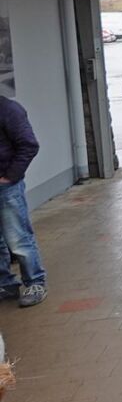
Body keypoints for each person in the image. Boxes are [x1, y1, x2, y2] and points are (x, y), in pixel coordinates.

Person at [0, 96, 47, 307]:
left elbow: (29, 145)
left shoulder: (8, 109)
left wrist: (10, 176)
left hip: (6, 187)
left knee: (18, 238)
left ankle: (35, 282)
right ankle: (5, 283)